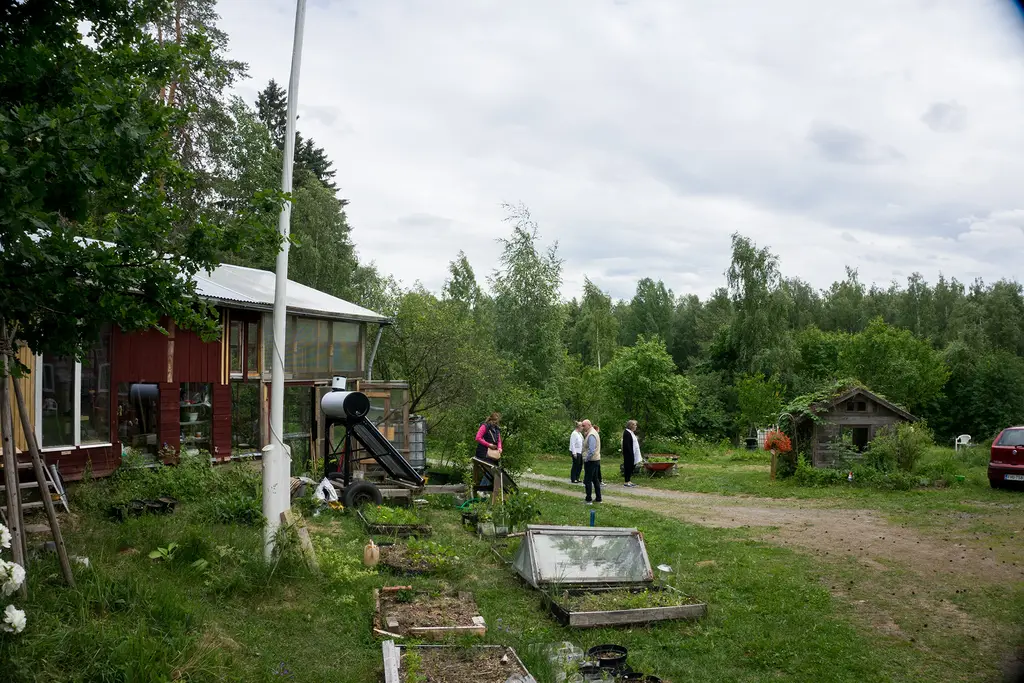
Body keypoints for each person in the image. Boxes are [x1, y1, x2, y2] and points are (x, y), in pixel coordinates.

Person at [474, 412, 503, 491]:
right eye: (494, 421)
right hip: (483, 452)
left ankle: (484, 490)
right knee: (489, 471)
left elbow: (499, 440)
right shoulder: (484, 426)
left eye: (496, 421)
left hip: (493, 454)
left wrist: (500, 448)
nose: (495, 423)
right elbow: (478, 438)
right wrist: (488, 445)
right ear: (491, 419)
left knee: (493, 472)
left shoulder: (497, 429)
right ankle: (481, 490)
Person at [582, 419, 602, 504]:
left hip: (591, 460)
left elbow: (591, 450)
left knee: (588, 480)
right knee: (595, 479)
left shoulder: (591, 435)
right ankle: (598, 498)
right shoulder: (592, 432)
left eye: (584, 425)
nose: (583, 427)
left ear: (589, 425)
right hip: (595, 460)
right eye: (582, 425)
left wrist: (586, 459)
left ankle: (588, 499)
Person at [622, 420, 642, 487]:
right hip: (629, 454)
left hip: (633, 453)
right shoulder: (627, 433)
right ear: (631, 426)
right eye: (635, 425)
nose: (636, 426)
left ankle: (629, 480)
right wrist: (630, 454)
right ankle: (626, 481)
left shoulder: (631, 432)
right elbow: (627, 445)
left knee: (631, 467)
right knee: (628, 467)